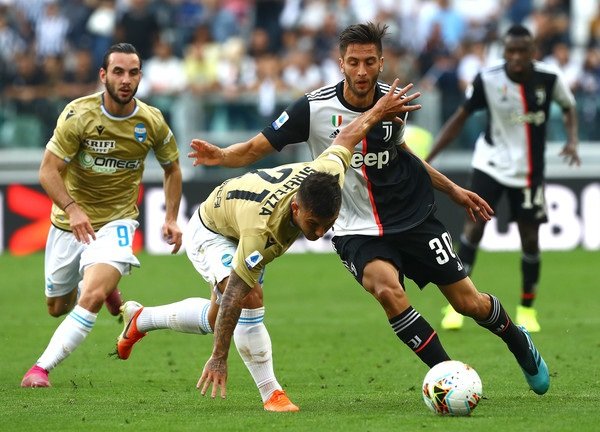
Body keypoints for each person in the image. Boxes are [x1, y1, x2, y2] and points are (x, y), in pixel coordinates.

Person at [189, 22, 551, 399]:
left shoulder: (393, 104)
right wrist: (222, 156)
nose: (361, 71)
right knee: (387, 290)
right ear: (340, 64)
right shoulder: (313, 109)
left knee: (468, 304)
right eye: (353, 62)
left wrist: (454, 190)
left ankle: (516, 339)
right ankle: (448, 377)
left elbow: (402, 155)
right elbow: (254, 148)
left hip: (411, 215)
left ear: (381, 63)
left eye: (369, 62)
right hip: (352, 226)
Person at [115, 79, 422, 410]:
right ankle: (271, 393)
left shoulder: (328, 171)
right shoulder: (265, 231)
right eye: (312, 225)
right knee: (246, 296)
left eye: (327, 226)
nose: (318, 233)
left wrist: (377, 111)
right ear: (295, 208)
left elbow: (347, 135)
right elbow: (235, 291)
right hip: (212, 230)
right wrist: (219, 357)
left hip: (237, 214)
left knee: (215, 318)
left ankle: (141, 319)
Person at [20, 43, 183, 388]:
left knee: (89, 297)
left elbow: (172, 168)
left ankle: (40, 369)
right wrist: (72, 208)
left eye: (133, 72)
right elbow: (48, 171)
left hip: (118, 221)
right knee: (56, 306)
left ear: (140, 76)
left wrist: (170, 217)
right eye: (119, 72)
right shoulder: (78, 115)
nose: (126, 80)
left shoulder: (151, 121)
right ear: (103, 75)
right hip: (69, 224)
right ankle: (111, 291)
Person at [426, 24, 579, 332]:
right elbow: (459, 119)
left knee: (531, 238)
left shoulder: (549, 79)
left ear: (533, 51)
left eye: (523, 50)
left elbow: (569, 106)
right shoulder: (488, 79)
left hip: (529, 171)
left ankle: (526, 309)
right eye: (511, 51)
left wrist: (572, 140)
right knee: (474, 228)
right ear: (504, 51)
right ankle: (456, 305)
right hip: (490, 165)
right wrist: (428, 158)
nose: (517, 57)